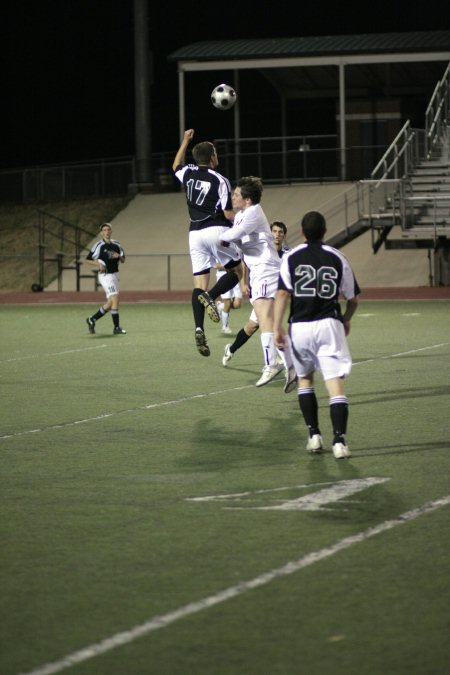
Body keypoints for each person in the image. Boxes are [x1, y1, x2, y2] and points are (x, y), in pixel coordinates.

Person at [273, 210, 360, 459]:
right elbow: (353, 299)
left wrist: (277, 327)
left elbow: (281, 294)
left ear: (302, 231)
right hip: (329, 325)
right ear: (324, 232)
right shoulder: (337, 256)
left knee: (305, 380)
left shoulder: (291, 257)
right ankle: (339, 442)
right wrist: (346, 319)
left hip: (300, 326)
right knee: (335, 383)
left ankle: (314, 436)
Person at [173, 129, 244, 357]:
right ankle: (211, 297)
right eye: (215, 152)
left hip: (194, 234)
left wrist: (185, 141)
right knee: (238, 270)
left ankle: (198, 328)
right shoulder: (220, 179)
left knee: (198, 284)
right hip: (216, 229)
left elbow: (175, 166)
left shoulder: (189, 173)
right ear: (212, 157)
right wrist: (243, 216)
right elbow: (227, 212)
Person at [220, 176, 284, 387]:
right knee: (254, 324)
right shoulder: (242, 215)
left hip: (265, 269)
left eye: (237, 195)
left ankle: (272, 363)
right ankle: (288, 365)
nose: (233, 197)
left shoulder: (254, 212)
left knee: (267, 319)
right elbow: (239, 245)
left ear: (247, 199)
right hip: (258, 272)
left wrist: (218, 238)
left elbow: (235, 235)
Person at [222, 220, 297, 393]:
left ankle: (282, 363)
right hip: (263, 290)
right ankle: (233, 350)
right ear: (270, 233)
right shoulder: (262, 249)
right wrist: (243, 283)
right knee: (256, 326)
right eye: (275, 231)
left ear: (284, 236)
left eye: (280, 232)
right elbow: (244, 264)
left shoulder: (288, 253)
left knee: (264, 326)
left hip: (277, 295)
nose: (277, 235)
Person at [85, 223, 126, 335]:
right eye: (104, 230)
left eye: (108, 229)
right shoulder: (99, 245)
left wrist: (119, 256)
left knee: (111, 302)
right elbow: (88, 259)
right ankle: (116, 327)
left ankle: (92, 319)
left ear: (111, 231)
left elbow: (123, 260)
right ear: (101, 233)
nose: (107, 232)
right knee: (115, 298)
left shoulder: (117, 244)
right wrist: (98, 264)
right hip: (105, 275)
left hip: (115, 275)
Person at [214, 262, 244, 335]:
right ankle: (225, 327)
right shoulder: (218, 250)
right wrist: (229, 266)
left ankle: (220, 306)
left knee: (237, 304)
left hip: (236, 274)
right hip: (222, 275)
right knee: (227, 303)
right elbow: (215, 265)